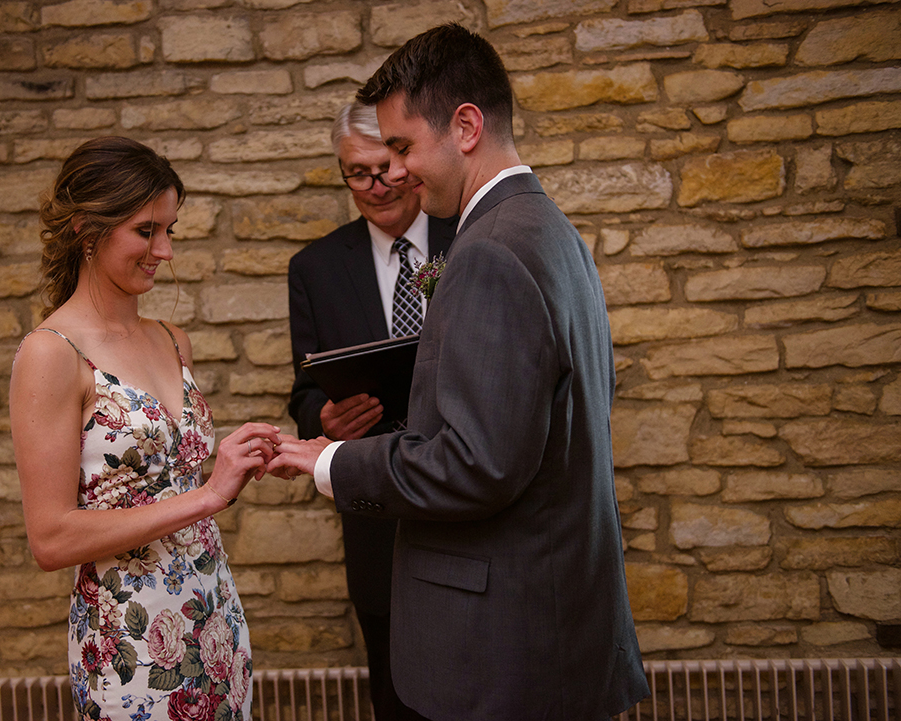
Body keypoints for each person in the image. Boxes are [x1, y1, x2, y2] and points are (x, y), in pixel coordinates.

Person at [269, 24, 650, 720]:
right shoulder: (550, 230)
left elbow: (476, 464)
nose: (399, 172)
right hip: (554, 617)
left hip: (503, 644)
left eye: (406, 147)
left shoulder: (487, 253)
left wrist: (330, 462)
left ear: (466, 126)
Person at [10, 136, 280, 721]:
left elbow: (168, 484)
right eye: (146, 231)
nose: (165, 250)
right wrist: (208, 496)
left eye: (170, 230)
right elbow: (50, 539)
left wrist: (236, 460)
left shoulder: (170, 339)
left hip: (213, 617)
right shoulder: (52, 353)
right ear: (87, 229)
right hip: (132, 643)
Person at [287, 101, 455, 721]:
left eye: (385, 166)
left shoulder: (470, 238)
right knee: (396, 694)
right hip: (376, 519)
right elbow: (303, 391)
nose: (376, 185)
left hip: (471, 502)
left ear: (408, 161)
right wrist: (322, 421)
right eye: (358, 173)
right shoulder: (315, 269)